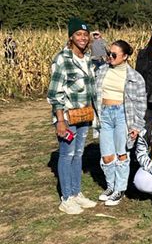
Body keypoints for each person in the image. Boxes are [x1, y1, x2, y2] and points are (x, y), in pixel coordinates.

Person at [47, 18, 97, 214]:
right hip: (67, 116)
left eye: (86, 35)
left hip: (84, 114)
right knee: (67, 155)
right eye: (79, 34)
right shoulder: (62, 58)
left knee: (78, 154)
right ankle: (66, 198)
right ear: (71, 37)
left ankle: (77, 193)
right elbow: (55, 93)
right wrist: (60, 120)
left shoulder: (87, 58)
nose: (83, 38)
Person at [93, 40, 147, 206]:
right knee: (107, 155)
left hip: (123, 114)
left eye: (114, 55)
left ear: (125, 56)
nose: (110, 57)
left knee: (121, 154)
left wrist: (137, 126)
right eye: (109, 53)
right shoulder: (101, 70)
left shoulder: (135, 77)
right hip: (104, 114)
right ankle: (111, 186)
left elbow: (140, 103)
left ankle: (120, 189)